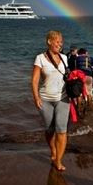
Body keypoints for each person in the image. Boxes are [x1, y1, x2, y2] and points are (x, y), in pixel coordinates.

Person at [32, 30, 70, 171]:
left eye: (61, 42)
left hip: (63, 98)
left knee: (62, 130)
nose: (60, 44)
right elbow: (35, 80)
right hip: (45, 99)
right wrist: (36, 97)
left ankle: (58, 161)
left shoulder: (65, 58)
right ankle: (53, 150)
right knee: (49, 129)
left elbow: (68, 77)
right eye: (57, 41)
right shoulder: (40, 58)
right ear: (49, 41)